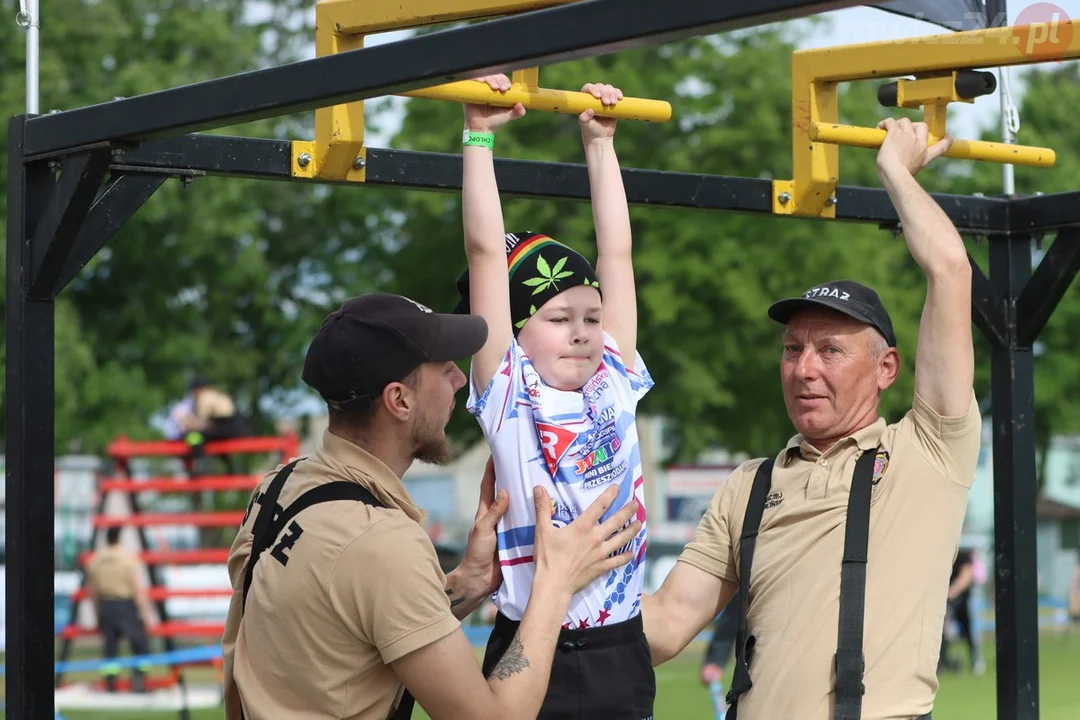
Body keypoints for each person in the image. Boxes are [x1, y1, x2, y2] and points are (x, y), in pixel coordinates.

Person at [640, 117, 981, 720]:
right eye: (793, 349)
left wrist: (894, 170)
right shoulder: (750, 485)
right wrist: (552, 605)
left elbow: (950, 270)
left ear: (886, 369)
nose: (804, 369)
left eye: (830, 351)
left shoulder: (926, 452)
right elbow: (667, 625)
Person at [220, 292, 641, 720]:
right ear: (399, 400)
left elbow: (355, 628)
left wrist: (470, 584)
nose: (461, 380)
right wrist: (555, 584)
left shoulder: (279, 488)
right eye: (444, 369)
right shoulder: (380, 542)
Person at [454, 75, 655, 718]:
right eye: (559, 318)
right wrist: (478, 136)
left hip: (621, 646)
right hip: (533, 643)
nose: (582, 333)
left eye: (592, 319)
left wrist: (600, 144)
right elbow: (486, 253)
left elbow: (617, 254)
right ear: (517, 331)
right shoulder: (509, 393)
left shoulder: (615, 380)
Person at [85, 527, 155, 693]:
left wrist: (97, 615)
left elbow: (93, 592)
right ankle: (139, 680)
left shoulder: (95, 560)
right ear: (119, 539)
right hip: (125, 605)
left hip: (105, 606)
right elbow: (137, 589)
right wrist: (146, 615)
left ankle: (110, 683)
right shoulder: (128, 559)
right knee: (140, 644)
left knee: (110, 647)